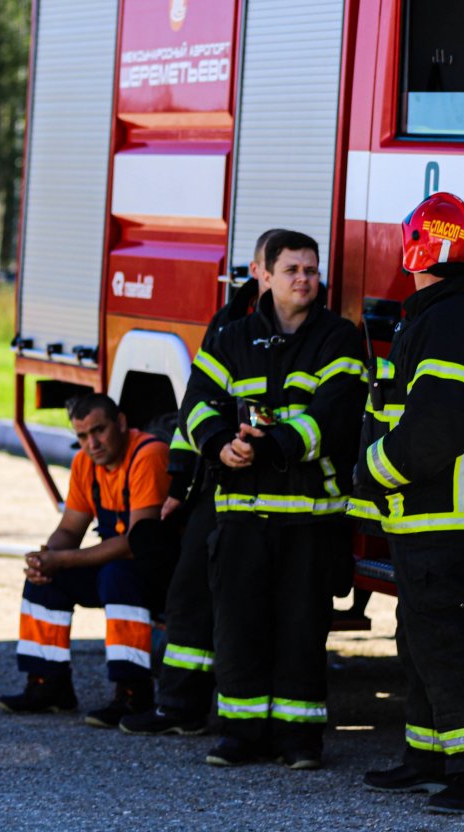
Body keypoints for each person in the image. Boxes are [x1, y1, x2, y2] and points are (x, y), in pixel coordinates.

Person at [181, 229, 367, 769]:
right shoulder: (232, 336)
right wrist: (218, 444)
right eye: (292, 270)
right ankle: (240, 736)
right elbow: (198, 402)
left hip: (310, 519)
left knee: (301, 630)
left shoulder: (338, 337)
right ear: (264, 274)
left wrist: (267, 446)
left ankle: (299, 740)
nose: (305, 280)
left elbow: (336, 415)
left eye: (311, 270)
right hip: (241, 515)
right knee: (238, 627)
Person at [353, 192, 464, 815]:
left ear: (418, 250)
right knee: (420, 637)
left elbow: (434, 430)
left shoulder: (449, 321)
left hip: (440, 512)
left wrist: (371, 471)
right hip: (427, 512)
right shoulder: (452, 314)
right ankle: (427, 756)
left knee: (447, 642)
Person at [119, 227, 292, 738]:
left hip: (281, 489)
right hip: (217, 485)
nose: (285, 278)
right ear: (258, 271)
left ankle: (233, 707)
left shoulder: (314, 330)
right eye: (272, 267)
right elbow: (193, 410)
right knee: (190, 589)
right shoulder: (230, 325)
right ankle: (179, 706)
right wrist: (178, 487)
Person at [0, 393, 168, 727]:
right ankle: (47, 685)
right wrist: (46, 559)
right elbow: (69, 528)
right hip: (118, 563)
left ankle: (133, 692)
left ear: (120, 423)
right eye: (82, 436)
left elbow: (136, 542)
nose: (92, 443)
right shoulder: (85, 464)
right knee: (47, 580)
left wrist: (62, 560)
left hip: (160, 571)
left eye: (99, 431)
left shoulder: (148, 455)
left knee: (116, 577)